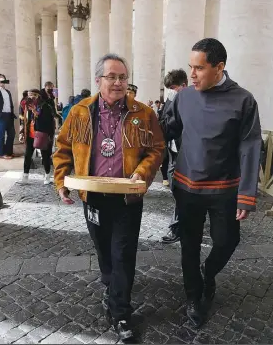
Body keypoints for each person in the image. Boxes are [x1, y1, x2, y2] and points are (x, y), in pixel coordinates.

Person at [53, 53, 164, 341]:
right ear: (98, 79)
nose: (118, 82)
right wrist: (61, 181)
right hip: (94, 197)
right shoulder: (79, 112)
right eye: (112, 76)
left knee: (123, 254)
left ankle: (120, 311)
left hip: (127, 198)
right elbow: (63, 149)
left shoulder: (143, 113)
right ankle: (111, 286)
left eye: (123, 77)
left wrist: (142, 172)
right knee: (104, 251)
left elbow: (156, 150)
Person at [160, 39, 262, 328]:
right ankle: (194, 296)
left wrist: (246, 194)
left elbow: (251, 145)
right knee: (189, 245)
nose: (191, 74)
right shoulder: (184, 97)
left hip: (224, 189)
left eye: (199, 68)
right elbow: (166, 130)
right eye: (191, 67)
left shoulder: (243, 100)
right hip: (187, 187)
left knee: (229, 240)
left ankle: (209, 270)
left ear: (219, 67)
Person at [160, 69, 188, 244]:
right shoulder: (172, 100)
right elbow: (164, 124)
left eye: (172, 87)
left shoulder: (190, 101)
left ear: (183, 85)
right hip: (172, 153)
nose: (170, 91)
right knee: (176, 190)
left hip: (185, 155)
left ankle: (176, 228)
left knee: (180, 192)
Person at [17, 89, 55, 185]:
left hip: (42, 134)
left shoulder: (45, 107)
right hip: (31, 134)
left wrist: (35, 112)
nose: (30, 98)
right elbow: (25, 121)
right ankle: (25, 177)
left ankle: (47, 176)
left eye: (32, 96)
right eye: (28, 96)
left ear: (38, 96)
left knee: (45, 156)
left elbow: (47, 122)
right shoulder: (27, 107)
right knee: (27, 155)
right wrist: (22, 132)